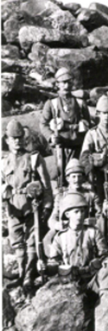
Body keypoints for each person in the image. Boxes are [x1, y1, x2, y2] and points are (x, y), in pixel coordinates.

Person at [2, 120, 53, 292]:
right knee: (17, 242)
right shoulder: (3, 162)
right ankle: (22, 272)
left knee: (33, 241)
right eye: (13, 138)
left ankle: (29, 276)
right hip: (13, 208)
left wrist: (47, 204)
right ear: (7, 140)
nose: (17, 141)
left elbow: (46, 184)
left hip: (32, 205)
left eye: (19, 137)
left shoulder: (34, 158)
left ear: (24, 138)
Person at [47, 192, 108, 292]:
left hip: (93, 278)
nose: (80, 215)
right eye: (76, 212)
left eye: (82, 211)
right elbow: (54, 262)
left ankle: (103, 301)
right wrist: (45, 268)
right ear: (67, 214)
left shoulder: (93, 232)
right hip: (70, 281)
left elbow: (104, 253)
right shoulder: (60, 237)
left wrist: (106, 260)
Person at [39, 68, 91, 184]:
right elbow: (43, 124)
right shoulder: (51, 104)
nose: (66, 85)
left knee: (77, 174)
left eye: (68, 82)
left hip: (78, 145)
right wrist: (51, 136)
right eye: (63, 82)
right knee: (61, 176)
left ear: (72, 83)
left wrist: (83, 127)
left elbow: (89, 124)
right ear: (57, 84)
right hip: (60, 146)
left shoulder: (80, 102)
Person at [44, 159, 101, 256]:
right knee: (47, 240)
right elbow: (52, 218)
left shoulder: (90, 195)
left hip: (85, 228)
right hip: (66, 229)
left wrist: (94, 221)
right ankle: (52, 264)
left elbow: (101, 216)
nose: (77, 180)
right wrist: (57, 225)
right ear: (68, 178)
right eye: (73, 176)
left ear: (83, 178)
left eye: (79, 176)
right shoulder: (61, 196)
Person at [80, 95, 108, 201]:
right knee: (99, 201)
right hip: (98, 174)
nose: (107, 116)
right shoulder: (92, 133)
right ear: (98, 114)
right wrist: (95, 163)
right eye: (104, 113)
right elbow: (84, 157)